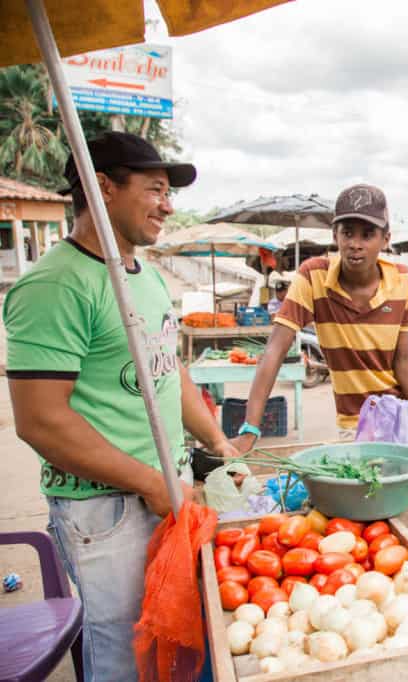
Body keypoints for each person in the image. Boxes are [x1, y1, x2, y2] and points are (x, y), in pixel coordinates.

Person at [3, 132, 239, 681]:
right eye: (155, 189)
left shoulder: (145, 275)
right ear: (102, 187)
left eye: (168, 192)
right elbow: (41, 420)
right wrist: (152, 482)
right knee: (122, 653)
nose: (168, 204)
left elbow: (166, 371)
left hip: (163, 491)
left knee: (174, 636)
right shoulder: (55, 285)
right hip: (105, 511)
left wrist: (215, 440)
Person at [232, 184, 408, 448]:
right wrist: (250, 429)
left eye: (367, 234)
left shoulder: (402, 279)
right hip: (355, 423)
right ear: (335, 236)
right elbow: (274, 352)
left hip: (401, 417)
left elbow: (403, 360)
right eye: (347, 233)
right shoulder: (313, 276)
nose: (355, 245)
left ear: (385, 239)